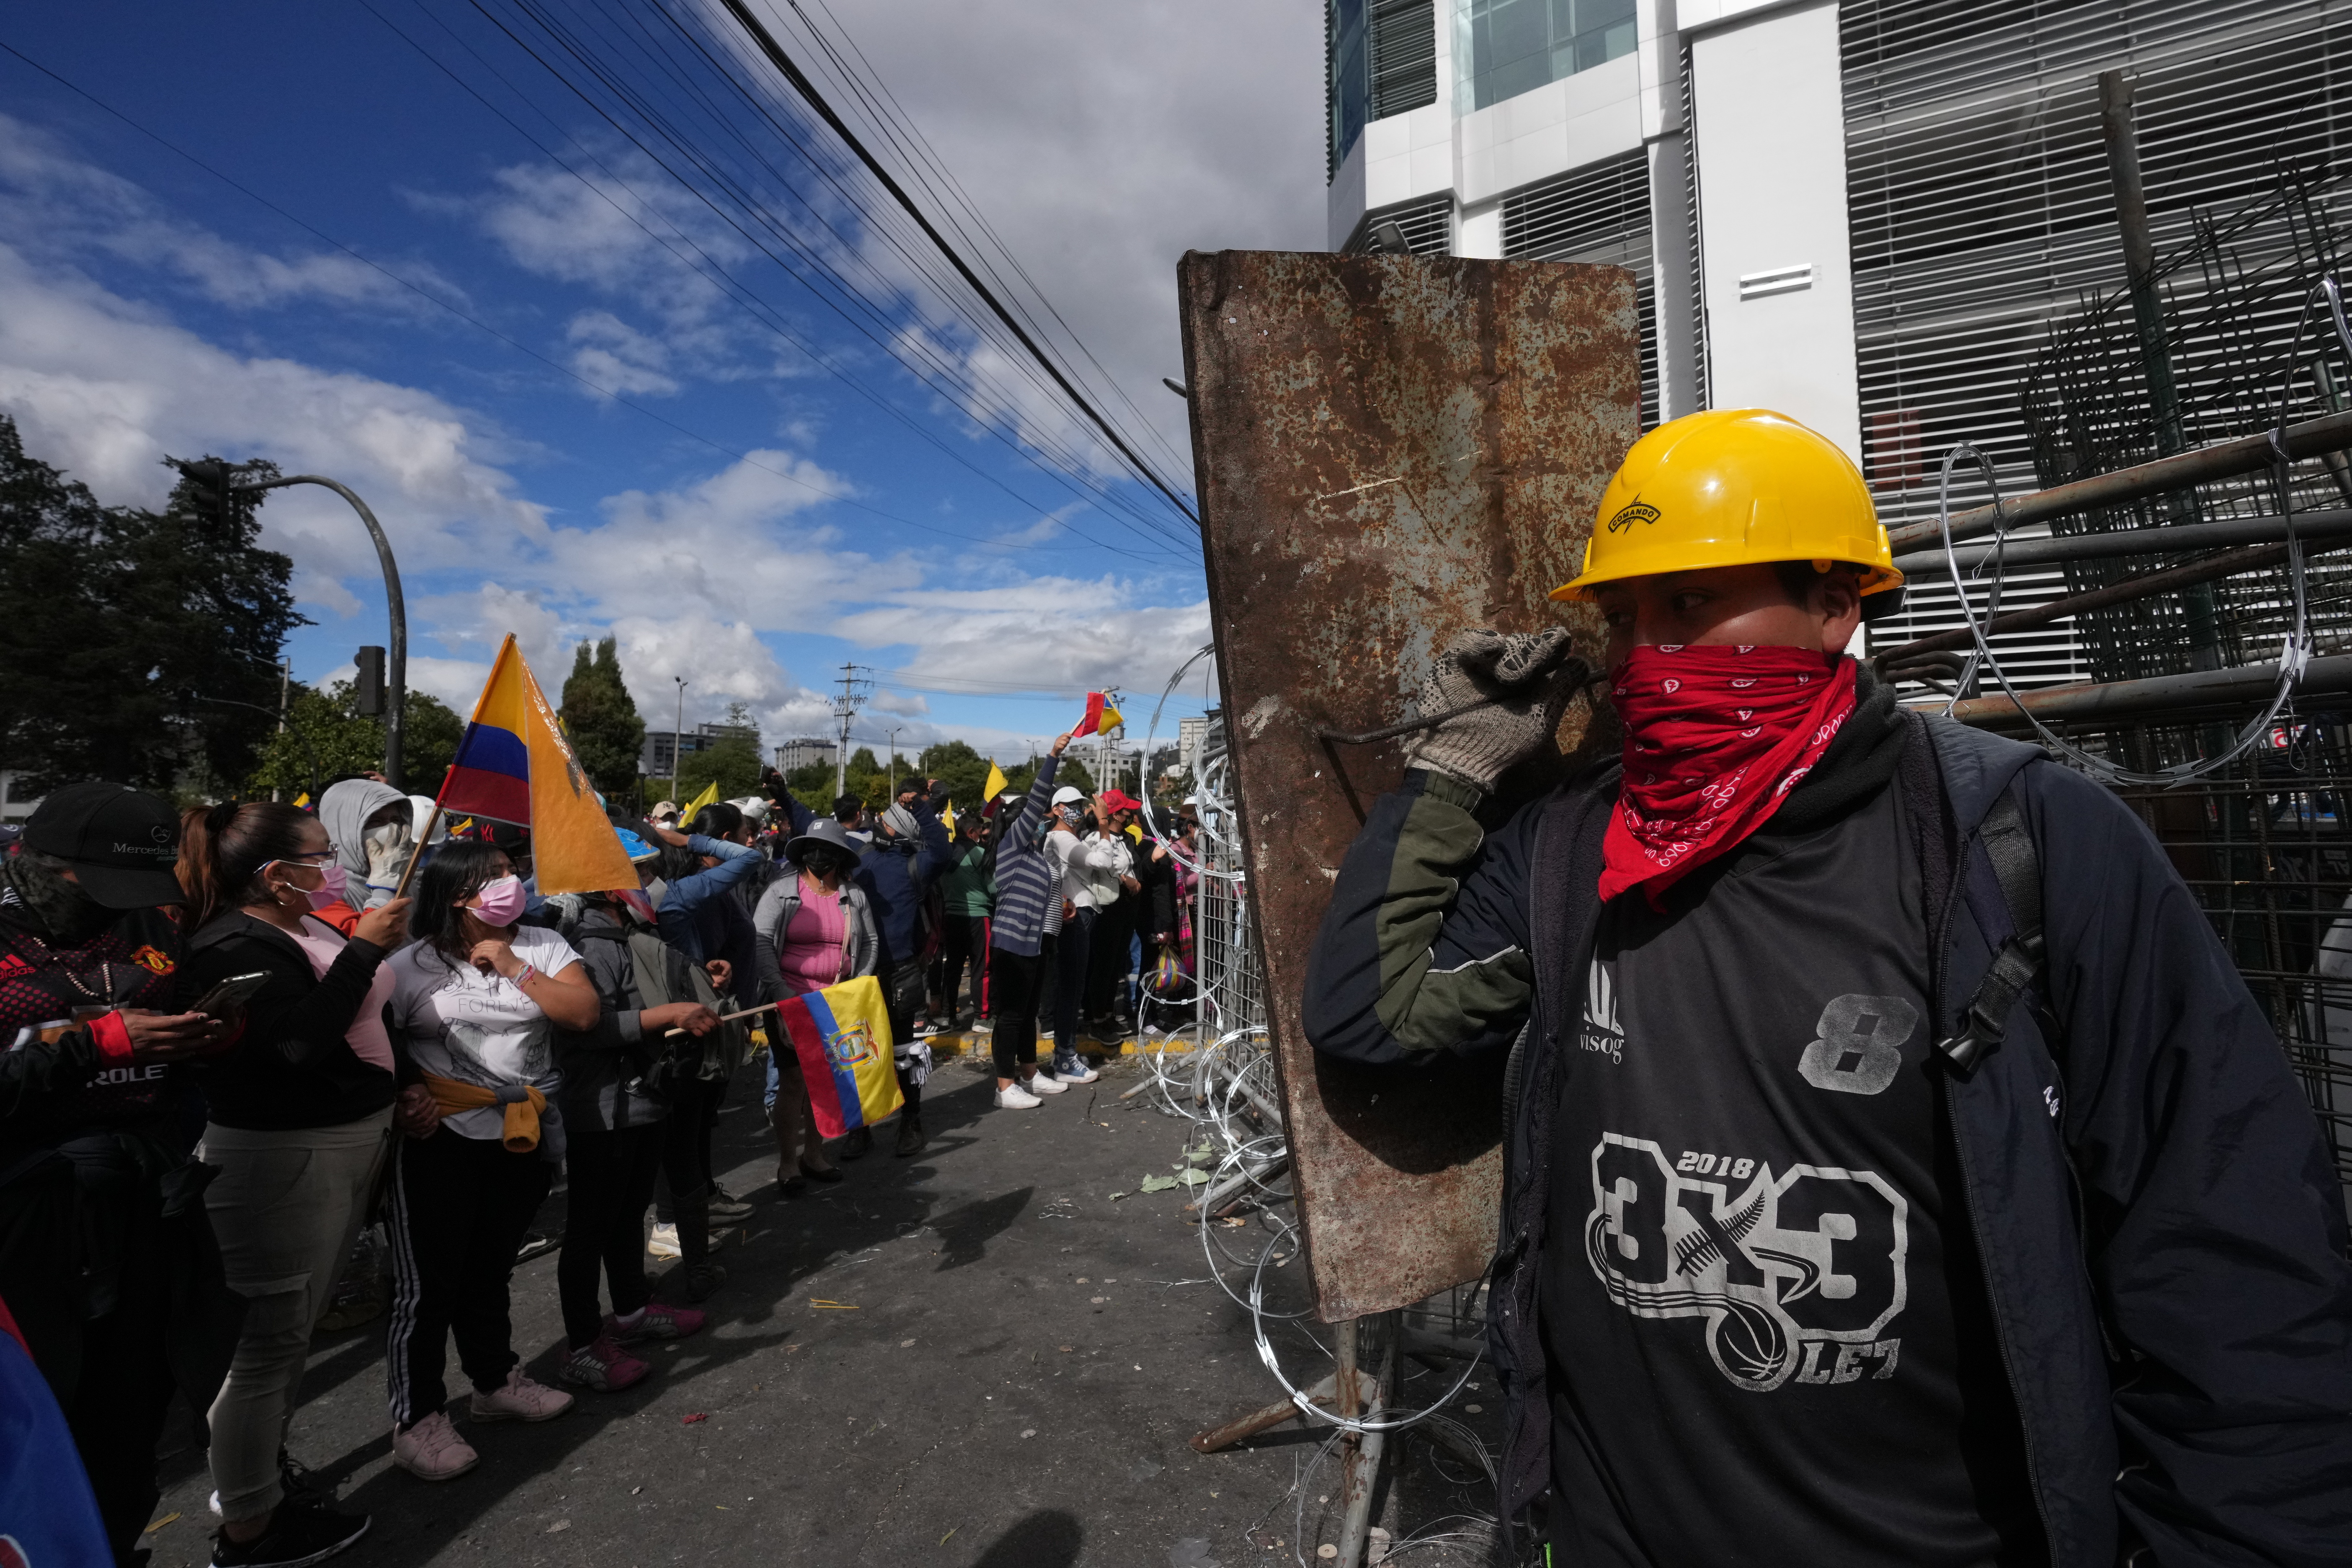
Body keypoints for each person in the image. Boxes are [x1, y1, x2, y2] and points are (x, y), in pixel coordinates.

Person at [1300, 409, 2352, 1564]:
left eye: (1692, 604)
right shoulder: (1575, 853)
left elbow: (2230, 1261)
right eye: (1622, 618)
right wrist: (1452, 774)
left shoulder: (2020, 847)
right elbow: (1374, 1013)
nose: (1644, 655)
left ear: (1837, 604)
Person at [0, 784, 240, 1568]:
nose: (122, 911)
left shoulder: (149, 920)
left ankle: (114, 1544)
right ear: (45, 867)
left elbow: (165, 1035)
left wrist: (200, 1037)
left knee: (132, 1409)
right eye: (104, 890)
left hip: (143, 1194)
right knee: (36, 1423)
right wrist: (93, 1045)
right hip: (28, 1212)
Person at [175, 803, 415, 1567]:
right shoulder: (229, 945)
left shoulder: (303, 926)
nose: (335, 864)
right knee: (266, 1345)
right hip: (283, 1157)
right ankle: (251, 1528)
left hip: (342, 1142)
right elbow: (294, 1047)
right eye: (320, 856)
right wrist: (362, 953)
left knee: (291, 1334)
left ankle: (260, 1476)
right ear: (278, 876)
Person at [383, 840, 596, 1481]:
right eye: (496, 877)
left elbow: (583, 1013)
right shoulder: (408, 965)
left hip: (519, 1132)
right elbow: (373, 1038)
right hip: (439, 1139)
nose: (513, 883)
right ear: (457, 895)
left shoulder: (541, 944)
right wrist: (404, 1091)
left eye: (512, 872)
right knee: (429, 1285)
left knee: (490, 1266)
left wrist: (513, 966)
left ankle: (494, 1381)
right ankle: (417, 1417)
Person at [553, 829, 718, 1394]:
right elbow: (585, 1027)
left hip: (641, 1103)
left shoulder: (627, 937)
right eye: (641, 875)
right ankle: (581, 1344)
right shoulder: (591, 945)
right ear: (609, 888)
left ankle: (630, 1313)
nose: (651, 885)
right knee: (590, 1229)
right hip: (603, 1108)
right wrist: (666, 1013)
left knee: (626, 1218)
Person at [645, 812, 764, 1294]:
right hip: (672, 1036)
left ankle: (689, 1217)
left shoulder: (667, 901)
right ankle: (671, 1226)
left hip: (696, 1024)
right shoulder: (672, 901)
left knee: (691, 1130)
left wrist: (707, 976)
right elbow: (750, 857)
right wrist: (685, 836)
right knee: (675, 1136)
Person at [753, 818, 876, 1177]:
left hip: (837, 1005)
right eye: (812, 849)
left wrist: (859, 985)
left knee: (828, 1080)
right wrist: (782, 994)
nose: (819, 856)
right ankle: (787, 1163)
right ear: (803, 854)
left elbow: (870, 943)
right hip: (791, 1001)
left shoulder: (854, 896)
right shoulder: (780, 893)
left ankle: (814, 1154)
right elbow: (761, 943)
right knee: (793, 1084)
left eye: (827, 851)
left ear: (841, 858)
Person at [843, 779, 952, 1156]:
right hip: (860, 975)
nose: (881, 824)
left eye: (889, 821)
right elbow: (814, 826)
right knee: (860, 1054)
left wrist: (920, 806)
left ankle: (911, 1122)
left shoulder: (916, 864)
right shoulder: (859, 859)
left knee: (904, 1053)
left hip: (900, 973)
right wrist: (780, 795)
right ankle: (862, 1126)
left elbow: (942, 847)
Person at [986, 738, 1083, 1109]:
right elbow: (1039, 797)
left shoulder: (1035, 858)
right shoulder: (1013, 847)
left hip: (1035, 943)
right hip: (1012, 945)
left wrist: (1063, 903)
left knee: (1028, 1015)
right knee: (1011, 1016)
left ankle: (1029, 1073)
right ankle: (1004, 1086)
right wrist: (1053, 758)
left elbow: (1043, 893)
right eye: (1038, 819)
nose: (1042, 822)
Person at [1046, 791, 1122, 1078]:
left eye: (1080, 805)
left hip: (1079, 914)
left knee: (1073, 988)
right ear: (1056, 809)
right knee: (1071, 989)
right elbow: (1100, 862)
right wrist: (1104, 825)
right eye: (1071, 806)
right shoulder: (1061, 838)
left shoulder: (1067, 837)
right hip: (1074, 916)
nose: (1077, 810)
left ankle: (1066, 1054)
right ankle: (1064, 1058)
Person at [315, 777, 415, 934]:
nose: (392, 829)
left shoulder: (406, 878)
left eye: (396, 820)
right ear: (346, 828)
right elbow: (365, 943)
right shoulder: (323, 889)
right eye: (376, 822)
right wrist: (385, 883)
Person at [1086, 790, 1148, 1036]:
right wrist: (1126, 881)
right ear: (1115, 815)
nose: (1132, 815)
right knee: (1103, 964)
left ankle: (1108, 1015)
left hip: (1127, 909)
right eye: (1127, 811)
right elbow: (1099, 869)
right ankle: (1097, 1019)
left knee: (1116, 966)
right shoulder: (1095, 839)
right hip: (1108, 910)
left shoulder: (1126, 840)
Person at [936, 811, 993, 1032]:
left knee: (952, 968)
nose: (982, 837)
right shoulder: (978, 853)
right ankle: (982, 1016)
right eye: (980, 833)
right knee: (983, 967)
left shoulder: (945, 854)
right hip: (978, 917)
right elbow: (994, 888)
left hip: (950, 917)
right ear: (971, 832)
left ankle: (948, 1016)